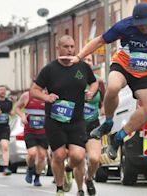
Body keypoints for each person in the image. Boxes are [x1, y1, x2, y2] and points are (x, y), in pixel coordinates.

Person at [67, 2, 147, 160]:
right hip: (123, 65)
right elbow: (99, 41)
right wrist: (78, 57)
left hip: (144, 72)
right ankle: (108, 123)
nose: (142, 28)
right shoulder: (124, 26)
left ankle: (118, 137)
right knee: (114, 87)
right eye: (139, 25)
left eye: (145, 25)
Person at [31, 35, 98, 196]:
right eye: (66, 46)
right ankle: (60, 188)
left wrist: (91, 92)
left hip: (76, 120)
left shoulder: (82, 66)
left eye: (72, 46)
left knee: (78, 155)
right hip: (55, 120)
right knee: (59, 155)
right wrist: (46, 97)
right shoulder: (49, 69)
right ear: (58, 48)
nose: (69, 50)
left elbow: (94, 82)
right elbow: (34, 90)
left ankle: (69, 169)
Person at [14, 88, 48, 187]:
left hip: (43, 131)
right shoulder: (27, 95)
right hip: (30, 130)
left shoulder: (47, 96)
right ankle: (30, 168)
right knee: (32, 153)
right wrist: (22, 116)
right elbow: (16, 108)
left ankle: (37, 177)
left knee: (41, 156)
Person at [82, 54, 106, 196]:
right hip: (76, 125)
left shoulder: (99, 82)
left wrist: (104, 109)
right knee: (77, 158)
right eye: (84, 60)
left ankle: (89, 178)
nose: (87, 62)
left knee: (94, 158)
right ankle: (78, 188)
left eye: (90, 60)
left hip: (93, 123)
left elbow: (104, 101)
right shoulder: (74, 79)